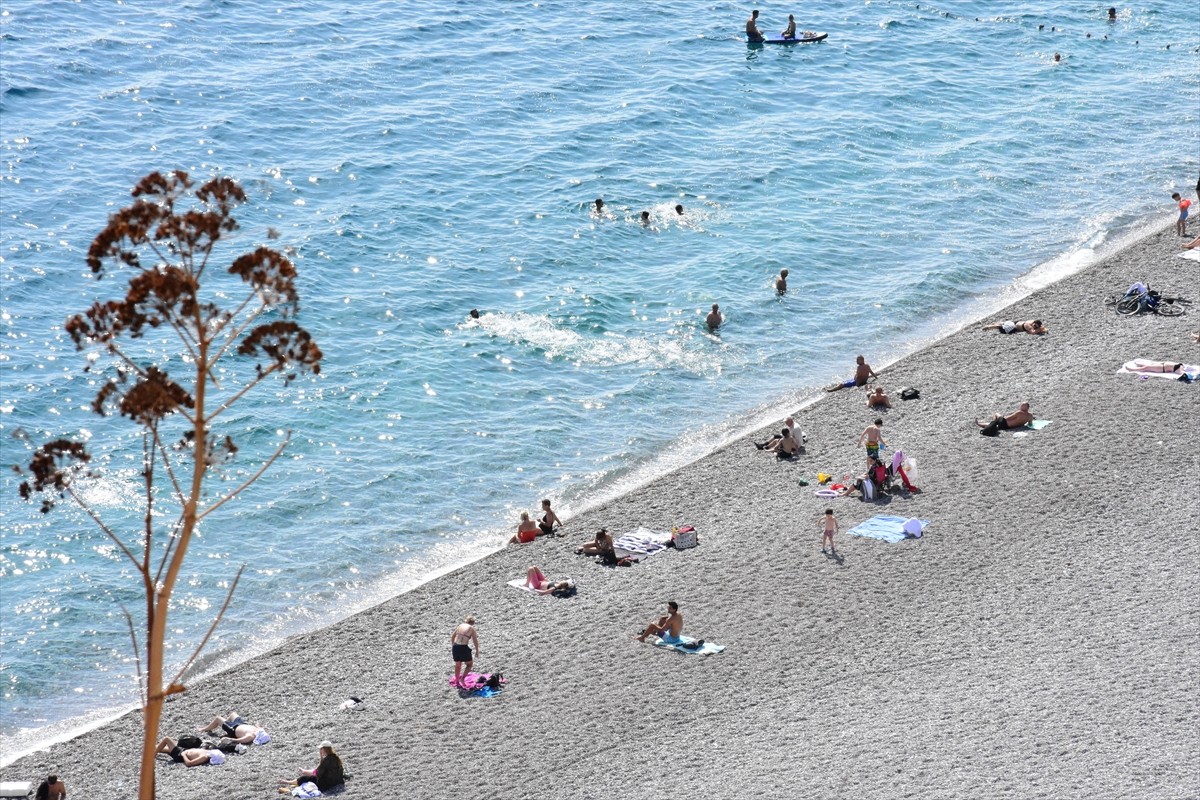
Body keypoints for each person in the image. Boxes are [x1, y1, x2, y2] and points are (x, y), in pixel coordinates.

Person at [278, 741, 345, 795]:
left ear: (324, 749)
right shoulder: (336, 758)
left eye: (321, 749)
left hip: (326, 785)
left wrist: (306, 772)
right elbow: (321, 769)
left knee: (304, 778)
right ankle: (302, 774)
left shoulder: (326, 760)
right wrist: (321, 757)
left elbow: (317, 773)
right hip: (337, 782)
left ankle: (288, 782)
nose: (320, 750)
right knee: (311, 774)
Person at [197, 710, 266, 746]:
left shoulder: (250, 736)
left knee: (218, 718)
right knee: (233, 714)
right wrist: (257, 725)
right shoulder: (258, 731)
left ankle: (205, 729)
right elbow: (259, 728)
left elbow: (241, 740)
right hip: (241, 724)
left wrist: (230, 739)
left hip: (233, 729)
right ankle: (225, 724)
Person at [450, 616, 480, 687]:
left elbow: (452, 637)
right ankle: (462, 679)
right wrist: (477, 650)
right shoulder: (471, 628)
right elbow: (475, 640)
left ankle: (457, 680)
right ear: (472, 623)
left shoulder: (460, 626)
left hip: (455, 647)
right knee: (469, 664)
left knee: (458, 664)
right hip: (463, 647)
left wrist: (453, 645)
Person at [156, 736, 223, 767]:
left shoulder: (204, 757)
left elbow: (189, 763)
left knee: (166, 739)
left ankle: (152, 754)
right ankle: (152, 749)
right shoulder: (206, 753)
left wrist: (184, 754)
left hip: (179, 755)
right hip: (183, 751)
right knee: (166, 747)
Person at [982, 319, 1047, 335]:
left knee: (1004, 324)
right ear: (1033, 323)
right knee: (1001, 327)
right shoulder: (1028, 325)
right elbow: (1032, 332)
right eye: (1035, 326)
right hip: (1013, 327)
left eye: (1036, 327)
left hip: (1015, 323)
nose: (1035, 327)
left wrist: (1040, 327)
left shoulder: (1031, 321)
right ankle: (989, 327)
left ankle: (994, 324)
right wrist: (1039, 329)